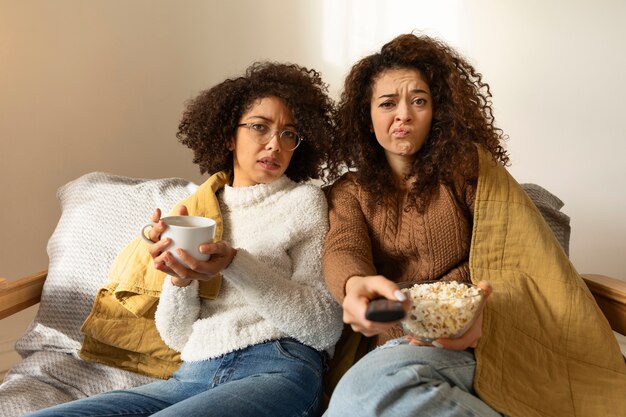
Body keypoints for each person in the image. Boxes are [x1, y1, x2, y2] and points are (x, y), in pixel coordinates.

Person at [321, 33, 626, 416]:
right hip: (404, 343)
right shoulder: (349, 191)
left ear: (438, 111)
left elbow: (515, 260)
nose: (403, 115)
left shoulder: (469, 171)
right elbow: (343, 247)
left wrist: (460, 305)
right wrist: (354, 285)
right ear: (366, 117)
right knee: (364, 393)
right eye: (387, 103)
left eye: (419, 101)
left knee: (364, 392)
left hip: (488, 333)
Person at [25, 61, 344, 417]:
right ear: (228, 135)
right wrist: (180, 278)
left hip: (278, 367)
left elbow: (323, 328)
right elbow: (176, 336)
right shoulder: (198, 210)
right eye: (260, 127)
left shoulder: (303, 202)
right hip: (191, 373)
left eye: (289, 134)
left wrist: (235, 264)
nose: (275, 144)